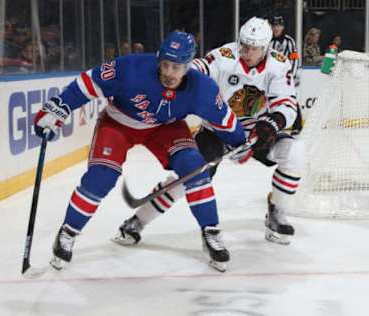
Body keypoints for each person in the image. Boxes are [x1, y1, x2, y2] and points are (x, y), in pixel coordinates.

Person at [33, 31, 246, 272]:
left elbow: (225, 120)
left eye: (176, 67)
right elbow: (88, 83)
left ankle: (211, 232)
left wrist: (240, 142)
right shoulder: (131, 68)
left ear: (188, 66)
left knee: (195, 168)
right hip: (118, 123)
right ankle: (68, 232)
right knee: (101, 177)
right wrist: (58, 108)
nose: (168, 72)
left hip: (166, 128)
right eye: (164, 64)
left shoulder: (202, 88)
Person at [115, 17, 304, 250]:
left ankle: (276, 213)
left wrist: (273, 122)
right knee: (189, 177)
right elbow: (198, 69)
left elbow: (286, 102)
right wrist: (176, 71)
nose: (247, 51)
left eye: (253, 48)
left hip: (258, 131)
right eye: (244, 45)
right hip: (218, 130)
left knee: (295, 153)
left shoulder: (279, 64)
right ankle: (137, 222)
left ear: (265, 48)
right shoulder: (224, 56)